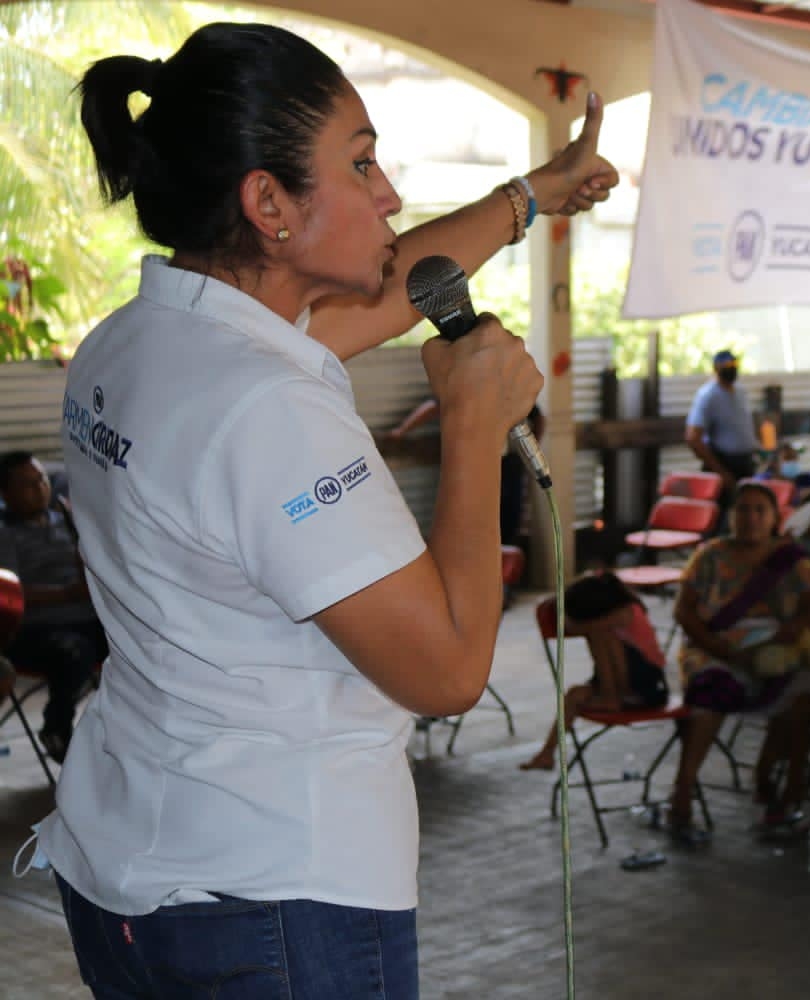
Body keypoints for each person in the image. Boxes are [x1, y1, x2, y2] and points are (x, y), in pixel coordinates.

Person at [34, 24, 618, 997]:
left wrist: (531, 197)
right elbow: (445, 669)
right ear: (267, 202)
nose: (389, 193)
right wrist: (473, 428)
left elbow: (387, 294)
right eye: (361, 162)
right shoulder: (268, 408)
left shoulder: (138, 339)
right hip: (275, 900)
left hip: (134, 859)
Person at [667, 482, 810, 842]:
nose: (751, 518)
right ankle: (682, 791)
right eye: (743, 509)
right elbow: (684, 611)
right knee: (711, 694)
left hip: (774, 644)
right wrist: (721, 649)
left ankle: (776, 782)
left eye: (760, 510)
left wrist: (795, 627)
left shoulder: (792, 558)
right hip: (714, 647)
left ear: (775, 518)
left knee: (802, 694)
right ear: (730, 516)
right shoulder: (710, 554)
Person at [0, 452, 104, 762]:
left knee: (135, 639)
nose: (41, 489)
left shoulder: (65, 521)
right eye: (28, 485)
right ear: (6, 494)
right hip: (32, 629)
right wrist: (68, 594)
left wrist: (80, 534)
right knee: (74, 652)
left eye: (42, 480)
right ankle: (56, 728)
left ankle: (126, 732)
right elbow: (9, 591)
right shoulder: (5, 534)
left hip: (86, 618)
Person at [519, 572, 667, 771]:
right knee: (572, 696)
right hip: (620, 682)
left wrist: (560, 605)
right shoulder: (610, 610)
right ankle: (546, 754)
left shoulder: (623, 613)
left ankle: (610, 698)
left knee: (599, 634)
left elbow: (572, 625)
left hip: (647, 687)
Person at [381, 401, 544, 548]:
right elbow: (433, 407)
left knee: (507, 520)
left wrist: (532, 452)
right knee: (479, 522)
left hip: (508, 466)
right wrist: (402, 431)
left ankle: (502, 567)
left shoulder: (511, 393)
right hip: (480, 467)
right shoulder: (470, 389)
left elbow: (538, 418)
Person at [686, 349, 759, 497]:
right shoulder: (708, 396)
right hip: (723, 464)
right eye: (726, 365)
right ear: (716, 368)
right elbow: (693, 438)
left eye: (734, 363)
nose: (731, 368)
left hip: (745, 464)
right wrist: (721, 473)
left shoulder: (740, 392)